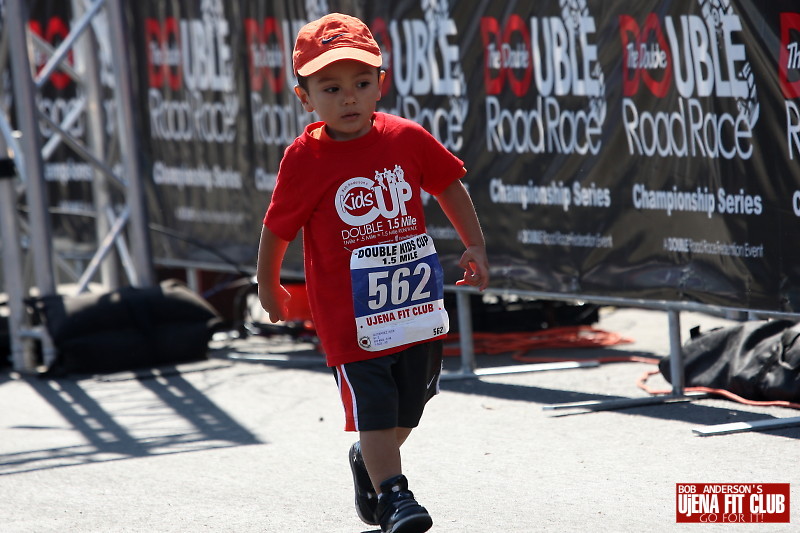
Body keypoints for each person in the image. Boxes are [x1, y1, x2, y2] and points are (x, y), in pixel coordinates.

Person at [256, 12, 489, 533]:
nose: (349, 98)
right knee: (377, 408)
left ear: (381, 84)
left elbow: (448, 184)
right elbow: (277, 229)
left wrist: (474, 244)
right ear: (305, 98)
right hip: (351, 320)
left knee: (408, 409)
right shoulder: (304, 159)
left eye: (361, 84)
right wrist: (268, 287)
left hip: (414, 308)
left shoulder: (406, 137)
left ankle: (370, 459)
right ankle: (395, 498)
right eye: (331, 88)